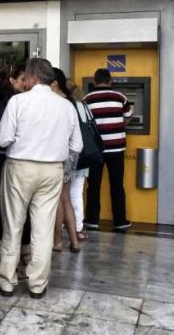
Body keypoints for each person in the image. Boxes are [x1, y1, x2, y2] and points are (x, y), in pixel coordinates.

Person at [0, 59, 82, 299]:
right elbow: (77, 145)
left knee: (13, 224)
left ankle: (7, 281)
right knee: (43, 228)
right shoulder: (66, 106)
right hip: (53, 170)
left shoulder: (18, 101)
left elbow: (2, 139)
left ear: (32, 77)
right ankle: (37, 285)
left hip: (20, 168)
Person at [0, 64, 27, 276]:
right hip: (10, 161)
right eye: (21, 80)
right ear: (12, 81)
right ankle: (14, 262)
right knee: (13, 214)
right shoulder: (18, 103)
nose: (25, 83)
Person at [83, 68, 133, 231]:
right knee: (117, 184)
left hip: (95, 150)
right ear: (110, 81)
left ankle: (92, 220)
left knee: (94, 185)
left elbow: (84, 123)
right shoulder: (121, 97)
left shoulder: (86, 99)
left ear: (94, 81)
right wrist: (119, 127)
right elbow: (128, 116)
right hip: (116, 148)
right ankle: (120, 221)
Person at [51, 68, 82, 253]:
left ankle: (57, 241)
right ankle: (74, 241)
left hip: (60, 154)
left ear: (54, 83)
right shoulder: (70, 101)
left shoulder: (58, 103)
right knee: (66, 198)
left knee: (57, 199)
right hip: (72, 154)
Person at [68, 81, 91, 241]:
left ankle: (64, 226)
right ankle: (77, 228)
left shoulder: (64, 106)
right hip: (83, 155)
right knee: (76, 193)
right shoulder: (84, 106)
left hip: (68, 155)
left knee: (63, 194)